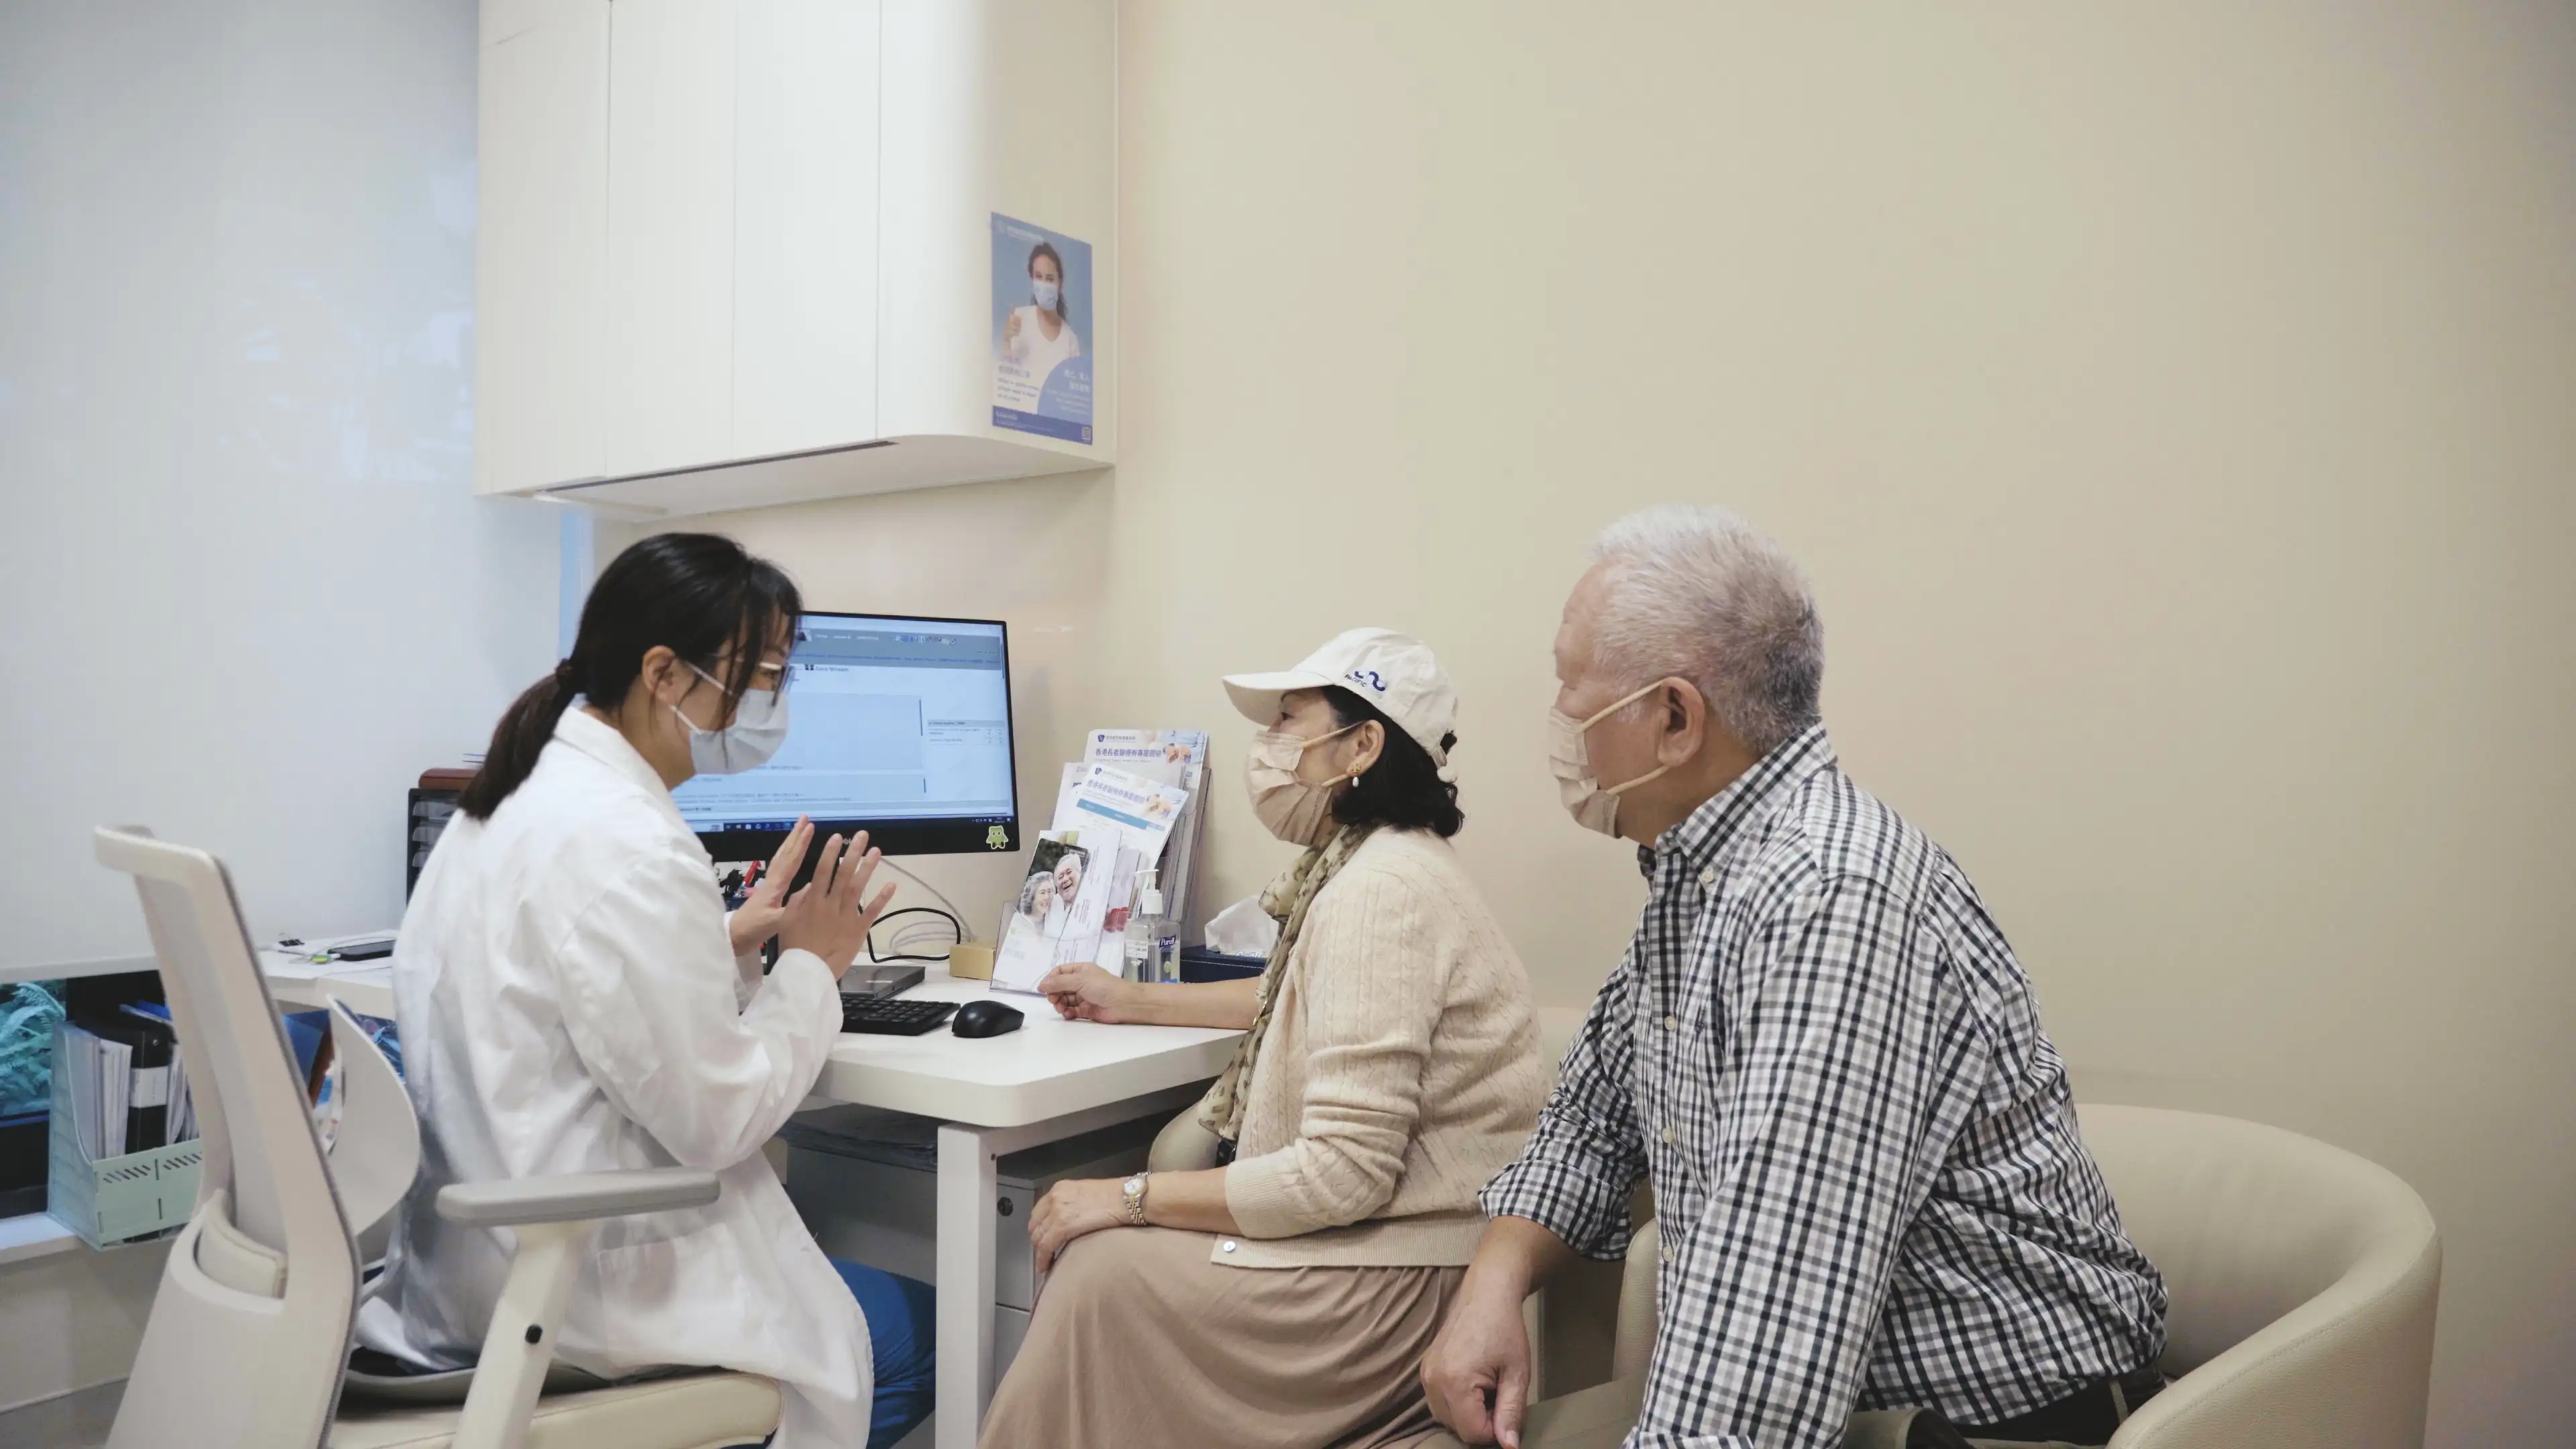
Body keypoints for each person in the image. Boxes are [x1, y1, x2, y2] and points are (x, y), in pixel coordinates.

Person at [1421, 507, 2169, 1449]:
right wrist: (1494, 1280)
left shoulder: (1830, 898)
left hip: (1989, 1427)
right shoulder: (1700, 880)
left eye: (1571, 682)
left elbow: (1761, 1365)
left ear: (1675, 718)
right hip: (1835, 1406)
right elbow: (1593, 1120)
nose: (1561, 716)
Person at [357, 533, 936, 1448]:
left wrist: (718, 942)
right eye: (763, 676)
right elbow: (720, 1121)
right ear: (664, 673)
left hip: (469, 1274)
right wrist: (813, 967)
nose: (772, 704)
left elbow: (558, 987)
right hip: (579, 1299)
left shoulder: (514, 798)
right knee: (924, 1334)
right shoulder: (631, 845)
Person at [979, 628, 1550, 1449]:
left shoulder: (1380, 892)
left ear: (1362, 746)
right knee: (1104, 1259)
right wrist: (1131, 998)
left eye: (1288, 721)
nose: (1269, 748)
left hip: (1393, 1286)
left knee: (1097, 1270)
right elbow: (1300, 999)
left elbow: (1341, 1175)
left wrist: (1126, 1197)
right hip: (1404, 1256)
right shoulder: (1379, 866)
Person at [1000, 240, 1081, 388]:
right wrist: (1006, 340)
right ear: (1032, 278)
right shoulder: (1019, 319)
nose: (1043, 284)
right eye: (1038, 276)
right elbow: (1006, 379)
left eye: (1049, 279)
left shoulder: (1070, 340)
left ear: (1060, 283)